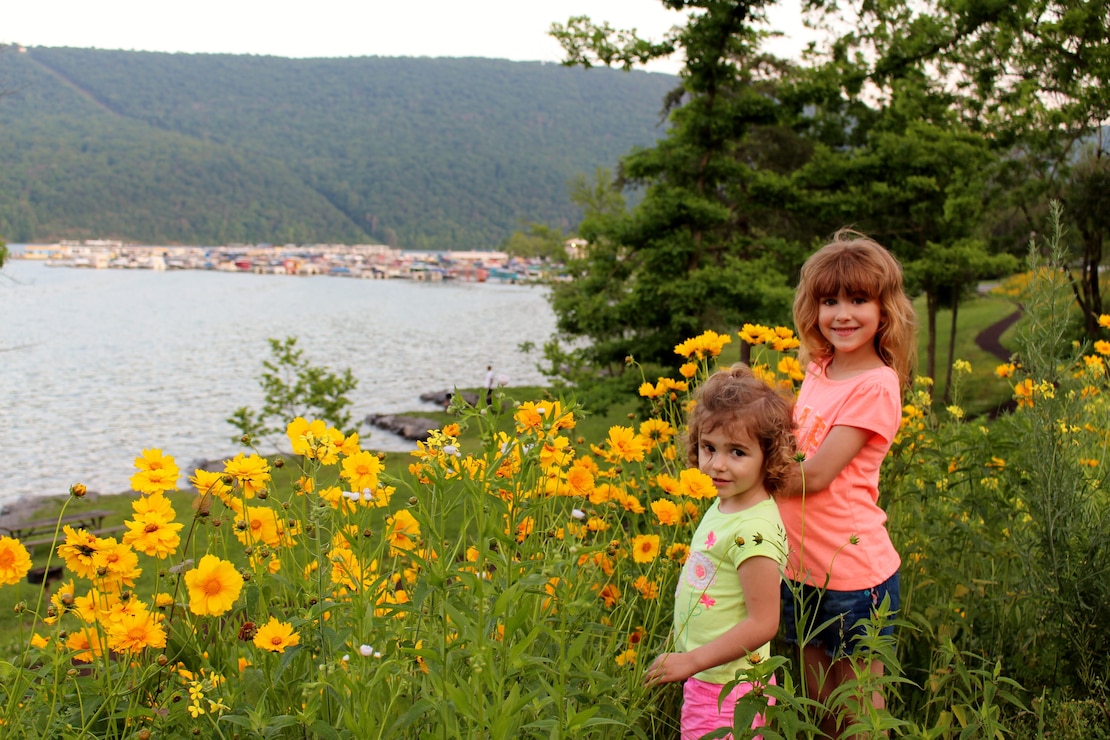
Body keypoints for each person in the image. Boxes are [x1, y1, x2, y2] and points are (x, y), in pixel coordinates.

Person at [776, 229, 916, 738]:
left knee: (859, 712)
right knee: (818, 707)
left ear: (885, 310)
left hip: (854, 576)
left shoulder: (876, 385)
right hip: (801, 567)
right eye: (829, 300)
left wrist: (740, 477)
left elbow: (813, 475)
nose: (842, 314)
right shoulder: (821, 367)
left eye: (859, 300)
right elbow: (792, 443)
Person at [645, 364, 794, 740]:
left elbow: (763, 622)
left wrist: (692, 659)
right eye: (708, 448)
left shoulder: (754, 530)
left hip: (732, 690)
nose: (717, 465)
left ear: (769, 455)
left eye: (738, 452)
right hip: (711, 678)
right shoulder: (726, 503)